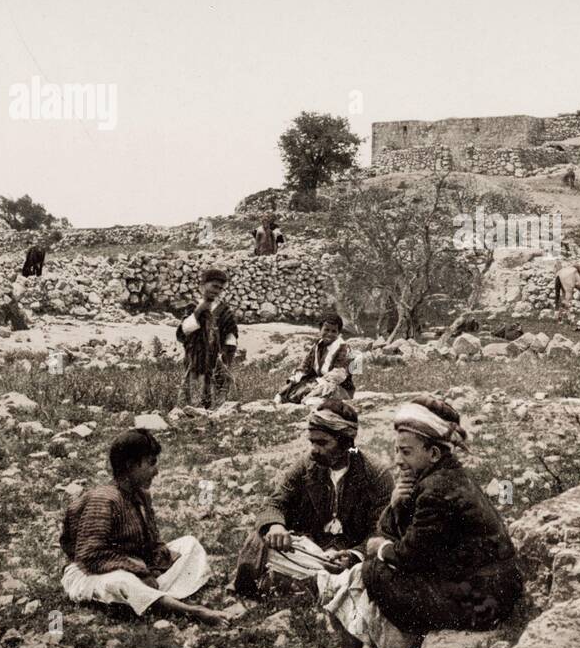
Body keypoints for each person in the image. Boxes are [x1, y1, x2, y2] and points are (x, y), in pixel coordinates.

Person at [316, 395, 522, 648]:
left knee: (367, 572)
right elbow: (405, 537)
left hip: (480, 603)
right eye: (397, 451)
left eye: (407, 452)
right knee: (369, 571)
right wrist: (396, 504)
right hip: (486, 593)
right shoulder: (442, 477)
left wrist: (379, 549)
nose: (398, 461)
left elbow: (409, 555)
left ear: (434, 454)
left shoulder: (436, 490)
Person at [59, 429, 228, 625]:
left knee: (189, 545)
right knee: (122, 582)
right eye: (151, 463)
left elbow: (153, 542)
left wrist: (156, 561)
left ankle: (151, 600)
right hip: (91, 573)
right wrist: (138, 571)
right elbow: (89, 555)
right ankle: (191, 611)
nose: (156, 471)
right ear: (131, 465)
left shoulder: (142, 496)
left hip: (135, 568)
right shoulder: (103, 499)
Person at [232, 400, 393, 597]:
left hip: (350, 557)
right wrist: (275, 526)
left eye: (322, 443)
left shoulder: (375, 474)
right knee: (259, 539)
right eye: (312, 442)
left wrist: (352, 556)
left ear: (345, 442)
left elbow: (381, 530)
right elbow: (276, 502)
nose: (315, 449)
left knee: (376, 568)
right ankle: (320, 585)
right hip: (312, 550)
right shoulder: (306, 466)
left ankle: (311, 584)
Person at [176, 268, 239, 409]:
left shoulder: (224, 311)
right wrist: (198, 312)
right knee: (193, 391)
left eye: (220, 288)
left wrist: (227, 354)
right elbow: (183, 332)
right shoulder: (192, 307)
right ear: (203, 285)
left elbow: (231, 333)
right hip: (195, 359)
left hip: (215, 359)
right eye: (214, 286)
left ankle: (215, 415)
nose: (216, 291)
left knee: (220, 385)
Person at [275, 312, 354, 405]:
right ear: (320, 329)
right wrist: (293, 381)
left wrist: (316, 384)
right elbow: (305, 366)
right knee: (290, 391)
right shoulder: (317, 345)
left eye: (334, 331)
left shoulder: (343, 348)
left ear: (339, 333)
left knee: (312, 396)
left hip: (337, 386)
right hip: (318, 380)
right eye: (326, 330)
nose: (329, 334)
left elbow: (339, 374)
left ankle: (320, 401)